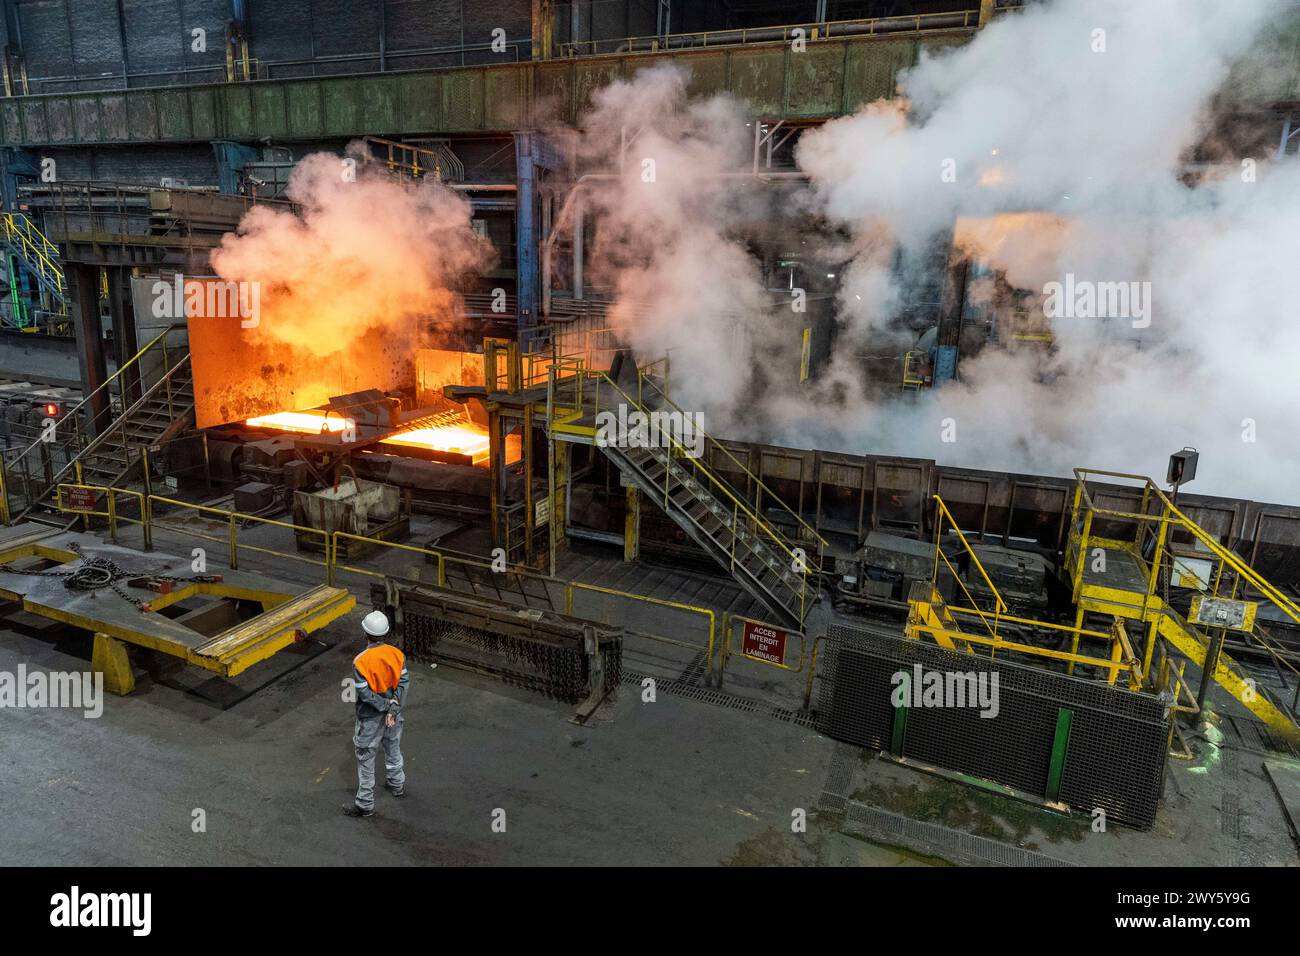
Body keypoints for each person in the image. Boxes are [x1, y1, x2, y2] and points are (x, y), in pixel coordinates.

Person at [342, 610, 409, 818]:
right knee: (393, 748)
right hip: (393, 715)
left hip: (370, 718)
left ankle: (365, 804)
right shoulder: (397, 654)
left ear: (365, 633)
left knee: (366, 757)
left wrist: (384, 706)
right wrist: (393, 708)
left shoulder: (360, 661)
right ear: (386, 634)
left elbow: (364, 693)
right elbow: (404, 684)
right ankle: (397, 785)